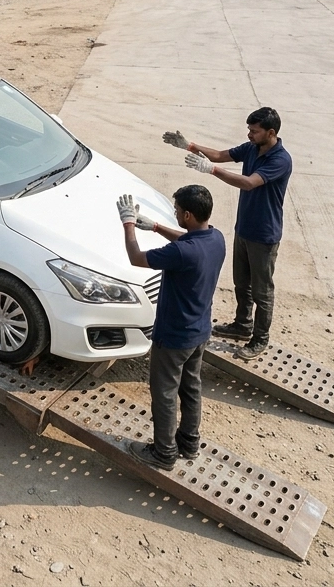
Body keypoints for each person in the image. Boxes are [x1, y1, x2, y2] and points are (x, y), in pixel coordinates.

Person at [162, 107, 293, 361]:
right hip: (244, 228)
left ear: (271, 132)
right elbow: (222, 155)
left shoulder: (280, 160)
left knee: (262, 291)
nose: (249, 134)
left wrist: (211, 170)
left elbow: (249, 183)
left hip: (264, 236)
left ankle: (260, 338)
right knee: (241, 283)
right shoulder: (252, 148)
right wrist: (189, 146)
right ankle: (242, 325)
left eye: (254, 131)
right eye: (249, 130)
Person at [117, 185, 225, 471]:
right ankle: (189, 443)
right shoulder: (216, 238)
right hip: (200, 332)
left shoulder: (182, 252)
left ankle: (164, 453)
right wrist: (155, 227)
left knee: (164, 393)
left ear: (188, 215)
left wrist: (129, 224)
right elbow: (188, 240)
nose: (175, 214)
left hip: (175, 336)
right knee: (191, 388)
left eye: (177, 211)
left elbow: (136, 257)